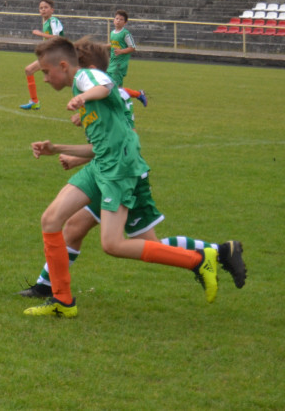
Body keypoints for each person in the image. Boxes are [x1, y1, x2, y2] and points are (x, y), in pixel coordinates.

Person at [18, 36, 245, 299]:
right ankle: (53, 291)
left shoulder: (88, 81)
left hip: (120, 172)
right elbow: (104, 145)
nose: (44, 78)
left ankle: (206, 256)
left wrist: (82, 99)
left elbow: (119, 125)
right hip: (106, 168)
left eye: (46, 72)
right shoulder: (92, 92)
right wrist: (59, 149)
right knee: (68, 225)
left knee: (121, 243)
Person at [20, 0, 64, 110]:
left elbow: (58, 38)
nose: (43, 10)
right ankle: (34, 101)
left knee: (70, 79)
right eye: (41, 8)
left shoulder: (53, 21)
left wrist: (41, 34)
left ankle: (35, 101)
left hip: (57, 54)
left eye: (46, 7)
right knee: (29, 70)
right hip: (51, 54)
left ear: (52, 10)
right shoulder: (46, 22)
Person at [108, 9, 147, 106]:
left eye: (121, 19)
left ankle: (136, 95)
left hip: (119, 64)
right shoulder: (112, 33)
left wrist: (121, 51)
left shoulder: (125, 34)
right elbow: (112, 45)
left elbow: (133, 47)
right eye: (116, 18)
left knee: (114, 88)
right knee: (112, 86)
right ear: (113, 20)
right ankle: (137, 95)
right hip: (112, 63)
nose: (118, 21)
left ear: (125, 22)